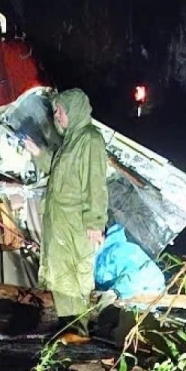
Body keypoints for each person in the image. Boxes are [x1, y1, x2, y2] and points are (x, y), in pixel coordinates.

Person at [23, 90, 109, 328]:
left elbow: (96, 182)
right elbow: (60, 172)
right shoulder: (69, 142)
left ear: (73, 110)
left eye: (60, 111)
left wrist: (95, 222)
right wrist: (39, 153)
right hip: (59, 227)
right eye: (55, 111)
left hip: (74, 227)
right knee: (57, 281)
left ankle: (75, 339)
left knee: (72, 283)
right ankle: (60, 334)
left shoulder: (90, 139)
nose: (57, 116)